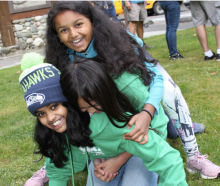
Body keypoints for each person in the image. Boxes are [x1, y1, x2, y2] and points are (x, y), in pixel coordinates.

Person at [24, 1, 220, 185]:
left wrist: (147, 112)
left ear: (92, 21)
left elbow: (155, 78)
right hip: (108, 125)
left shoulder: (119, 45)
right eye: (64, 30)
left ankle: (193, 154)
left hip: (139, 119)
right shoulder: (62, 60)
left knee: (170, 92)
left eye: (79, 24)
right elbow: (57, 106)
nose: (73, 34)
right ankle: (62, 159)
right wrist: (92, 152)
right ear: (56, 35)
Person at [20, 52, 188, 186]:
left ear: (68, 103)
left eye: (54, 106)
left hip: (140, 147)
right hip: (108, 152)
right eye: (41, 114)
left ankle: (177, 131)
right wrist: (95, 155)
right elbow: (58, 170)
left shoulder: (117, 120)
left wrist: (117, 160)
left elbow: (168, 160)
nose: (50, 119)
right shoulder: (60, 131)